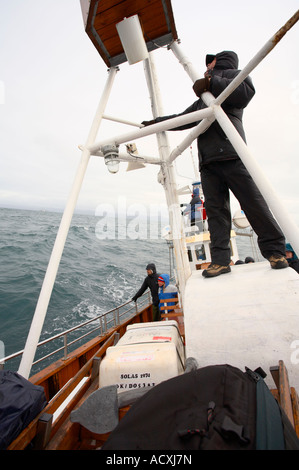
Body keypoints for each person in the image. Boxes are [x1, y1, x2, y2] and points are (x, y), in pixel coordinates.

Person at [142, 50, 288, 278]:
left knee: (254, 205)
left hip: (233, 155)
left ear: (216, 62)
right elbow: (182, 119)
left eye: (209, 63)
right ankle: (220, 261)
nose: (206, 67)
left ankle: (275, 252)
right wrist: (155, 124)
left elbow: (245, 93)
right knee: (216, 214)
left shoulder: (233, 78)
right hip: (208, 164)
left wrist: (211, 80)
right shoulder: (204, 100)